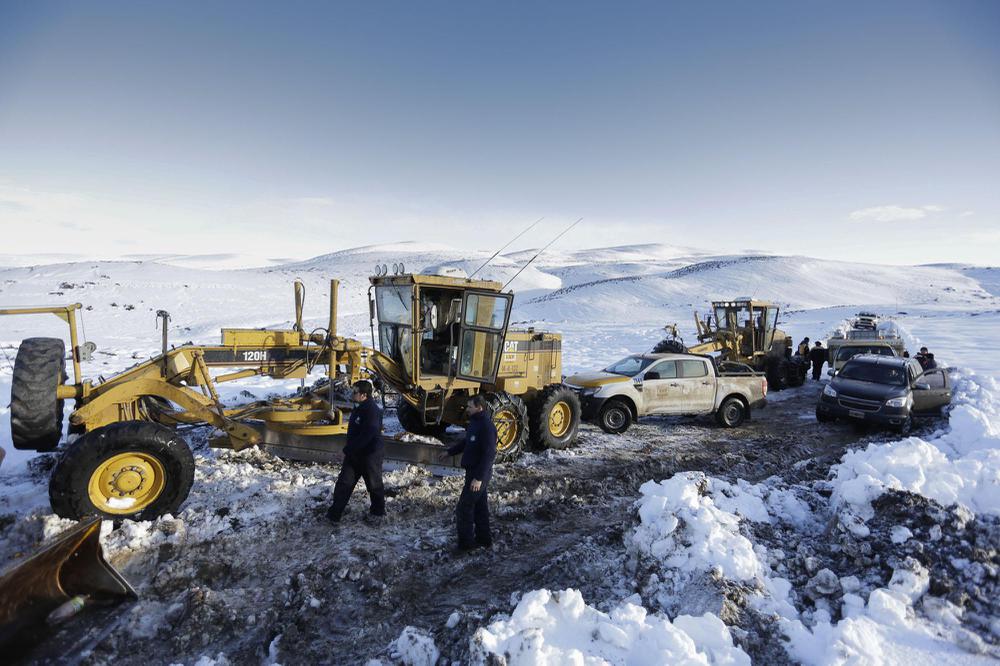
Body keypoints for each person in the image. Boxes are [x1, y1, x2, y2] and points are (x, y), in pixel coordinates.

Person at [327, 380, 385, 525]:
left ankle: (378, 514)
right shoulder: (359, 407)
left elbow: (367, 436)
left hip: (369, 456)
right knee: (343, 484)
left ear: (364, 395)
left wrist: (346, 450)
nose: (352, 394)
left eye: (355, 392)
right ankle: (334, 514)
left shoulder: (372, 411)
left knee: (374, 485)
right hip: (354, 455)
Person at [445, 395, 497, 552]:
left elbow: (489, 454)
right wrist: (450, 452)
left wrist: (479, 478)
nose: (467, 409)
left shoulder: (486, 426)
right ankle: (484, 540)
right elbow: (467, 441)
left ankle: (466, 545)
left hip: (478, 473)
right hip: (472, 472)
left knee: (464, 508)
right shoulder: (475, 423)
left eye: (469, 407)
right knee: (480, 507)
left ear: (479, 407)